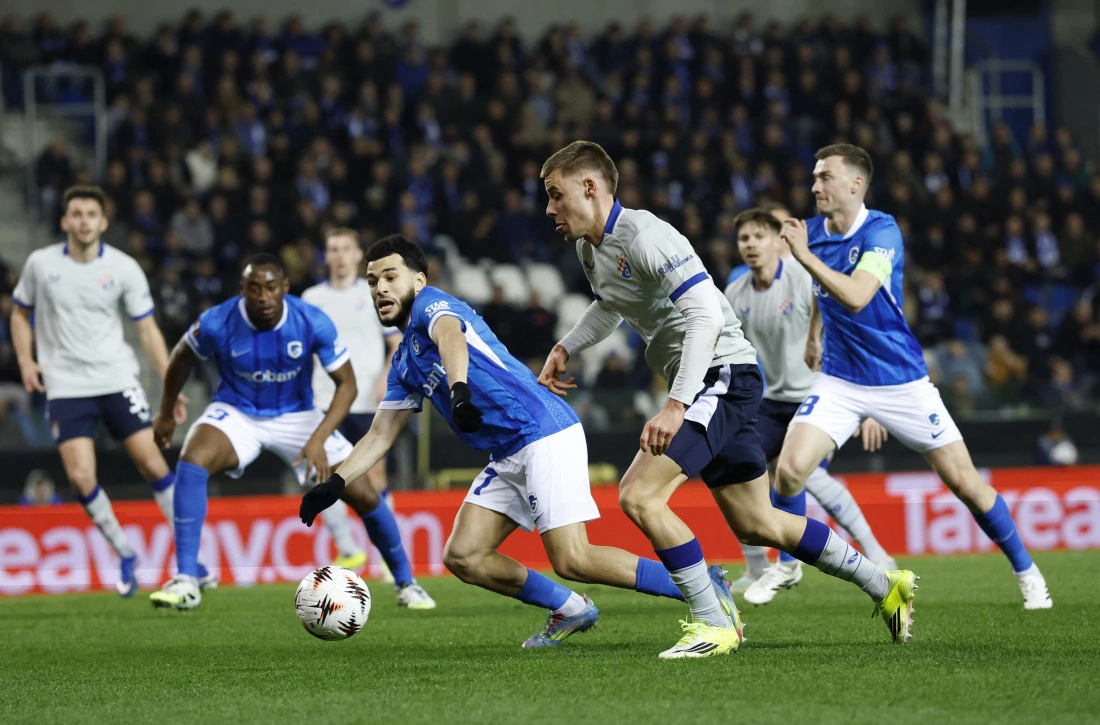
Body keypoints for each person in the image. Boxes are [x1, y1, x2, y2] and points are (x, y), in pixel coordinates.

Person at [537, 141, 918, 656]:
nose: (549, 209)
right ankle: (884, 585)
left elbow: (706, 316)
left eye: (556, 195)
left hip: (721, 373)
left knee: (638, 495)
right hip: (713, 378)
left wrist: (676, 404)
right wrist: (567, 346)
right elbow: (612, 303)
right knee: (758, 523)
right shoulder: (590, 248)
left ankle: (714, 621)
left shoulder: (646, 235)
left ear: (591, 186)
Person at [300, 235, 707, 650]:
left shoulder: (433, 306)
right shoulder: (404, 361)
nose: (380, 288)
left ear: (419, 281)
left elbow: (451, 337)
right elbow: (381, 433)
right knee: (464, 556)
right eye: (372, 281)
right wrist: (335, 484)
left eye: (390, 276)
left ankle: (704, 588)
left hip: (542, 429)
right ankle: (571, 608)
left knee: (573, 558)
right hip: (508, 451)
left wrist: (458, 391)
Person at [775, 143, 1051, 610]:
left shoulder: (882, 231)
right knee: (788, 472)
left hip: (900, 381)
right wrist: (813, 334)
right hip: (840, 380)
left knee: (965, 484)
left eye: (825, 177)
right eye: (814, 176)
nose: (814, 185)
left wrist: (802, 256)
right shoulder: (815, 235)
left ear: (855, 184)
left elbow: (859, 294)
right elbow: (826, 292)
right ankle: (790, 563)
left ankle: (1027, 570)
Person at [149, 253, 434, 611]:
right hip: (237, 411)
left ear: (285, 287)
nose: (264, 296)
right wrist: (165, 413)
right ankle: (187, 579)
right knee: (192, 459)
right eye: (254, 289)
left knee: (363, 492)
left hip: (299, 415)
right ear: (243, 290)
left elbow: (346, 384)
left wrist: (318, 436)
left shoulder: (310, 321)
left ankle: (407, 583)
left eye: (271, 288)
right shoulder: (217, 321)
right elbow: (180, 356)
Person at [11, 185, 212, 597]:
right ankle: (125, 553)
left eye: (91, 214)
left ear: (103, 222)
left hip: (117, 379)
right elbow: (19, 313)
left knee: (154, 465)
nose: (83, 220)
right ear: (65, 220)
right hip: (66, 385)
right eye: (76, 213)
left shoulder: (123, 268)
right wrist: (26, 360)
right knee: (81, 476)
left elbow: (147, 330)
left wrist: (169, 386)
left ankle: (190, 561)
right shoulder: (40, 264)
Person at [724, 208, 896, 601]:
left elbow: (848, 328)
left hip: (817, 397)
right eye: (743, 239)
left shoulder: (802, 279)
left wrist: (868, 407)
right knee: (732, 466)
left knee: (806, 475)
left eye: (758, 237)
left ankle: (869, 554)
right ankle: (758, 568)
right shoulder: (735, 293)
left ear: (777, 242)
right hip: (770, 402)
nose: (750, 245)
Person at [301, 227, 403, 580]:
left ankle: (391, 561)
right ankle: (347, 549)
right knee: (320, 472)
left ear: (359, 255)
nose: (340, 255)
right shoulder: (311, 298)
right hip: (322, 401)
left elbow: (396, 343)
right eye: (333, 249)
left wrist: (384, 378)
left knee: (374, 476)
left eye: (346, 248)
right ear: (326, 256)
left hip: (363, 400)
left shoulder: (373, 292)